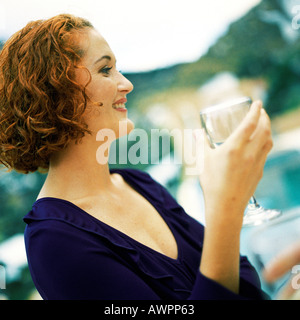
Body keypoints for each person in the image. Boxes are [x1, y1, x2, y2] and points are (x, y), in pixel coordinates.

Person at [0, 14, 273, 300]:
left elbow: (241, 271)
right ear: (54, 92)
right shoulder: (55, 241)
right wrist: (225, 207)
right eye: (105, 69)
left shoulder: (139, 183)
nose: (127, 84)